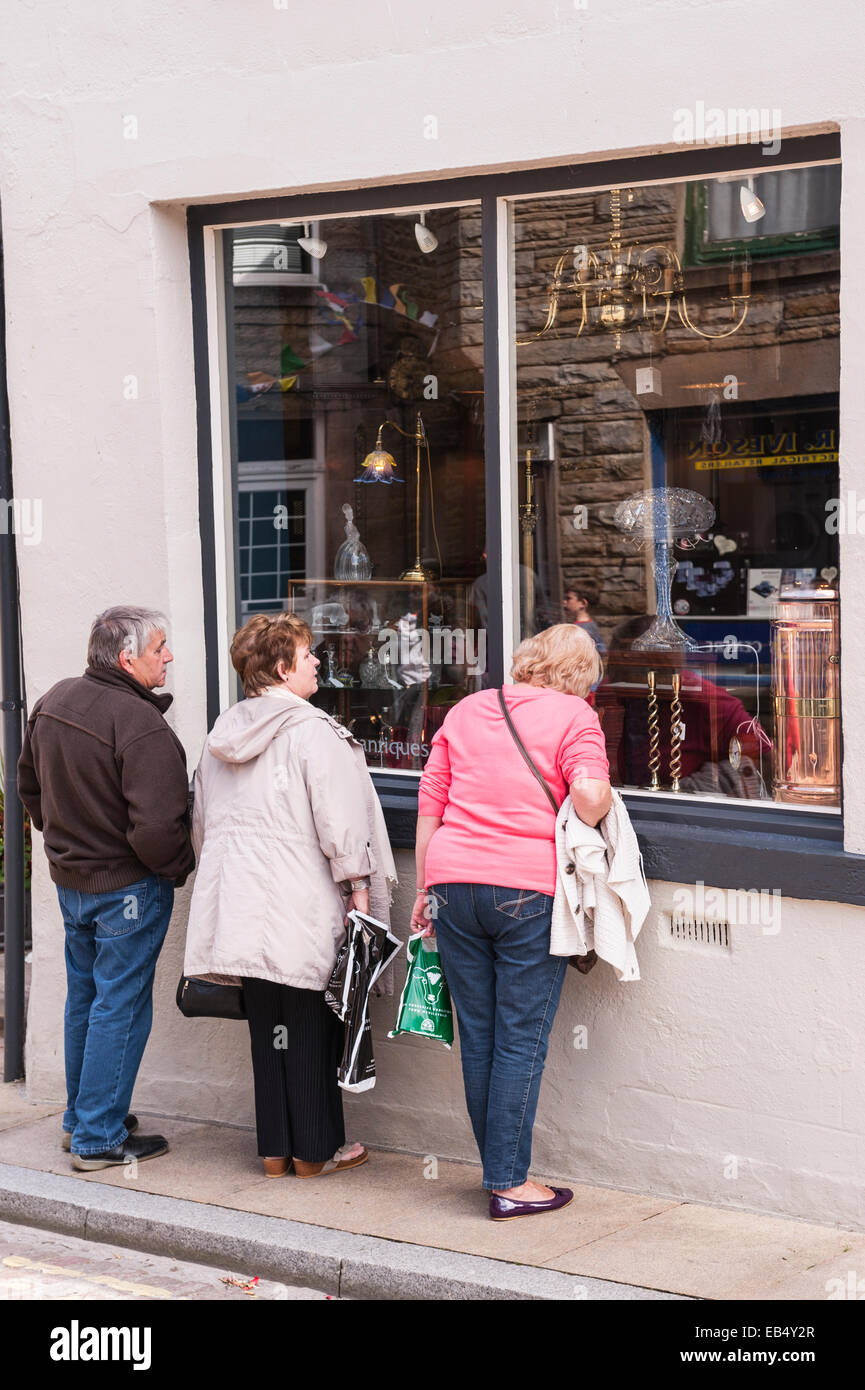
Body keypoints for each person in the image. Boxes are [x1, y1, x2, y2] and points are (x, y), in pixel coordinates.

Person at [184, 612, 397, 1179]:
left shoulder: (221, 734)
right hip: (300, 900)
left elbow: (201, 828)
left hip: (239, 902)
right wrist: (358, 889)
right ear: (282, 669)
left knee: (267, 1030)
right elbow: (342, 823)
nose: (318, 663)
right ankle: (316, 1152)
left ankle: (275, 1151)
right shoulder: (310, 731)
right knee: (309, 1021)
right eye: (308, 655)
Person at [411, 623, 611, 1220]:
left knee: (481, 1038)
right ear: (581, 677)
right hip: (526, 890)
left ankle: (498, 1172)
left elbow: (431, 802)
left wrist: (425, 887)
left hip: (452, 883)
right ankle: (508, 1183)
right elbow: (592, 794)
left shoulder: (470, 708)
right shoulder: (576, 717)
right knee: (519, 1039)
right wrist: (589, 800)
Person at [17, 606, 194, 1170]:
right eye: (160, 647)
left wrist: (65, 839)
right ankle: (97, 1136)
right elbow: (159, 828)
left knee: (88, 1002)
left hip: (73, 885)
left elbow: (27, 786)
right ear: (126, 659)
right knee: (118, 1007)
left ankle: (82, 1118)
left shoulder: (54, 701)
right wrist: (174, 868)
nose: (169, 656)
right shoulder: (140, 725)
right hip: (128, 889)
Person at [563, 586, 606, 654]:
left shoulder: (584, 629)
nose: (564, 602)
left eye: (569, 599)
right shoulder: (587, 626)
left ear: (583, 603)